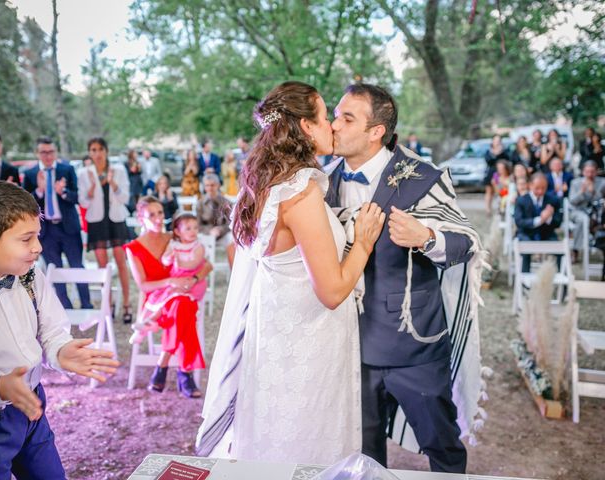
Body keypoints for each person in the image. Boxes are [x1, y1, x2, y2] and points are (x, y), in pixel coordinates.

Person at [197, 81, 385, 464]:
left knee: (275, 442)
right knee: (307, 449)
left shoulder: (264, 182)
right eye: (323, 116)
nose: (332, 125)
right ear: (304, 127)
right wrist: (363, 242)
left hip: (276, 341)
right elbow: (331, 291)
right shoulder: (300, 189)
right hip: (307, 351)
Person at [328, 84, 483, 473]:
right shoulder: (322, 182)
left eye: (347, 118)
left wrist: (427, 238)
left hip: (413, 344)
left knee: (441, 445)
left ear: (375, 130)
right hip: (347, 345)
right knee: (361, 451)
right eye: (335, 115)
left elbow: (467, 241)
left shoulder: (422, 178)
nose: (334, 125)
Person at [0, 180, 118, 479]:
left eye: (37, 235)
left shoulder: (29, 275)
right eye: (26, 239)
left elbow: (52, 328)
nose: (38, 247)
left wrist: (60, 351)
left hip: (34, 412)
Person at [125, 197, 212, 398]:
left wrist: (194, 278)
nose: (158, 219)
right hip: (157, 303)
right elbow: (143, 285)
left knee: (182, 306)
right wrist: (170, 282)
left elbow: (206, 265)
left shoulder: (172, 238)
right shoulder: (134, 248)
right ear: (141, 219)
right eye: (151, 215)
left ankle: (162, 364)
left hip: (184, 294)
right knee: (183, 310)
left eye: (160, 213)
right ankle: (185, 375)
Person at [22, 137, 92, 310]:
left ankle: (87, 306)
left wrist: (63, 192)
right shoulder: (31, 174)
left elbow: (77, 197)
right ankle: (65, 309)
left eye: (51, 151)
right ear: (37, 153)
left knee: (77, 267)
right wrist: (39, 190)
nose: (48, 156)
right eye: (44, 152)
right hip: (46, 231)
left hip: (68, 227)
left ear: (56, 152)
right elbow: (24, 204)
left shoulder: (66, 169)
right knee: (54, 270)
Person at [77, 137, 132, 323]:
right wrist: (93, 187)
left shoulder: (119, 170)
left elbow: (125, 198)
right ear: (90, 152)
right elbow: (83, 201)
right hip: (96, 222)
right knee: (103, 265)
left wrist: (112, 183)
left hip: (116, 220)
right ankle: (107, 305)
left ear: (106, 151)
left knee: (121, 263)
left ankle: (126, 304)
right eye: (93, 150)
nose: (97, 153)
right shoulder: (84, 173)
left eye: (100, 149)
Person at [514, 173, 563, 272]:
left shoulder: (553, 200)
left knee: (561, 251)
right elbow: (519, 222)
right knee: (525, 249)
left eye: (543, 188)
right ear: (530, 185)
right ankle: (524, 281)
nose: (540, 191)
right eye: (537, 188)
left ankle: (562, 283)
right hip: (526, 234)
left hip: (547, 234)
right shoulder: (521, 200)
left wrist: (549, 218)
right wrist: (541, 219)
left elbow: (558, 222)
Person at [568, 161, 605, 263]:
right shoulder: (575, 182)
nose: (589, 174)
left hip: (596, 213)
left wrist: (593, 192)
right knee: (583, 219)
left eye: (592, 172)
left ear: (596, 172)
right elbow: (572, 201)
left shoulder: (602, 182)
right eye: (587, 172)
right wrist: (582, 192)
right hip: (578, 211)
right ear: (583, 172)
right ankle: (575, 250)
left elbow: (601, 200)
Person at [196, 173, 235, 266]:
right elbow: (197, 225)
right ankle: (203, 271)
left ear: (218, 185)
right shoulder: (200, 203)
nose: (210, 188)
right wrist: (210, 231)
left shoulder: (226, 202)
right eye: (207, 185)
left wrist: (220, 229)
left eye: (212, 185)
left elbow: (231, 223)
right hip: (206, 234)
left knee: (232, 240)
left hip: (223, 234)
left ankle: (233, 270)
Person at [484, 134, 510, 214]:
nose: (497, 142)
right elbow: (488, 161)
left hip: (500, 173)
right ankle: (488, 208)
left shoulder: (504, 151)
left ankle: (501, 207)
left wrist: (500, 152)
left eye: (498, 140)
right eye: (495, 140)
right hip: (492, 173)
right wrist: (496, 153)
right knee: (489, 191)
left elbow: (507, 160)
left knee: (500, 191)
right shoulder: (489, 151)